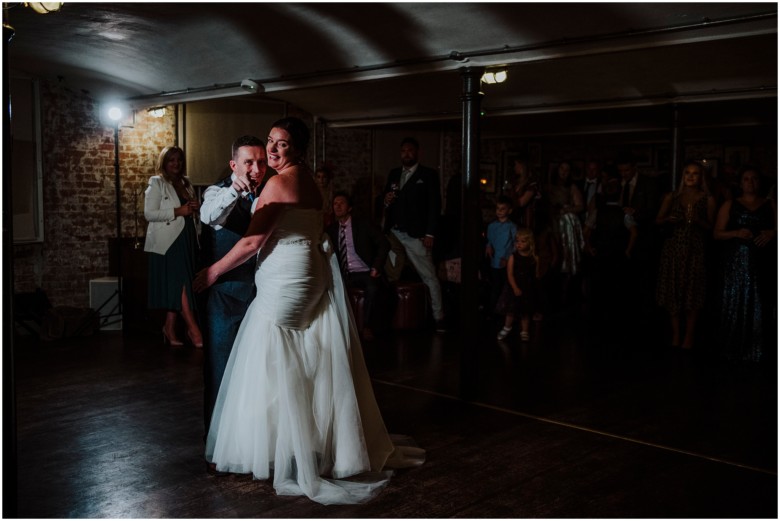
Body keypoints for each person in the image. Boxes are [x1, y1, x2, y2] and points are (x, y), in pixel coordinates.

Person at [193, 117, 424, 505]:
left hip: (285, 278)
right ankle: (304, 440)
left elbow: (252, 243)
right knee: (301, 355)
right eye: (270, 141)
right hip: (305, 272)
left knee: (269, 351)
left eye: (282, 144)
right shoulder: (308, 181)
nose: (273, 149)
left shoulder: (279, 182)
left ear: (296, 149)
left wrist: (213, 271)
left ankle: (278, 448)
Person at [198, 135, 268, 444]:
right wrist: (234, 191)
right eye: (249, 162)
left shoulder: (270, 192)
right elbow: (208, 216)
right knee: (220, 371)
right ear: (234, 164)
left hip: (263, 296)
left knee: (257, 373)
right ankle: (217, 444)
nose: (256, 169)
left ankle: (250, 441)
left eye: (261, 162)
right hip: (226, 296)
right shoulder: (217, 191)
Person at [381, 137, 446, 331]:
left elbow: (435, 206)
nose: (406, 154)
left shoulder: (428, 175)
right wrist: (386, 200)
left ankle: (439, 316)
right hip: (393, 232)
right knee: (390, 274)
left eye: (410, 151)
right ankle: (390, 317)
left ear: (417, 153)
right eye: (403, 151)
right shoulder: (394, 173)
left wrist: (430, 234)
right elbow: (384, 203)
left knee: (429, 276)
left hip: (416, 234)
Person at [713, 166, 776, 362]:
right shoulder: (730, 204)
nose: (751, 182)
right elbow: (716, 233)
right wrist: (736, 233)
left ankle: (759, 350)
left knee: (762, 302)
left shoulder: (771, 203)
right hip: (736, 263)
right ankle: (733, 348)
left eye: (754, 178)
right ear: (741, 183)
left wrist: (773, 232)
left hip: (763, 261)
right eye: (747, 179)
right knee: (736, 301)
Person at [143, 145, 203, 348]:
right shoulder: (157, 182)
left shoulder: (186, 183)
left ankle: (169, 327)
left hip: (186, 237)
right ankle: (194, 330)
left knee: (179, 283)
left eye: (178, 160)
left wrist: (194, 209)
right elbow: (149, 214)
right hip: (168, 241)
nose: (175, 164)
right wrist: (178, 211)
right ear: (164, 162)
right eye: (171, 160)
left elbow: (189, 212)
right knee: (181, 283)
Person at [655, 161, 716, 350]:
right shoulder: (672, 197)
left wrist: (697, 220)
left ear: (701, 177)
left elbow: (712, 227)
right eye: (687, 173)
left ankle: (689, 335)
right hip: (673, 248)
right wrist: (668, 219)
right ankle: (676, 334)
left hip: (694, 249)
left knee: (692, 291)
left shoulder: (708, 198)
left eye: (695, 173)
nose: (690, 176)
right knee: (673, 291)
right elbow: (657, 221)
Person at [327, 191, 391, 341]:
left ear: (349, 207)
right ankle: (337, 328)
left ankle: (367, 326)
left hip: (364, 271)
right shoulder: (331, 230)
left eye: (341, 203)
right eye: (335, 204)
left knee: (373, 288)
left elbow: (384, 244)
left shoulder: (363, 224)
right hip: (343, 272)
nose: (338, 206)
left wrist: (376, 266)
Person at [547, 161, 585, 307]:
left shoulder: (571, 187)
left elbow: (580, 206)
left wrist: (567, 210)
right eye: (562, 168)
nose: (564, 172)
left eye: (567, 170)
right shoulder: (549, 187)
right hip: (551, 223)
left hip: (564, 224)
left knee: (564, 256)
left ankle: (566, 297)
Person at [495, 228, 540, 342]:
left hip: (527, 287)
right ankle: (507, 327)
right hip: (514, 286)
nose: (519, 244)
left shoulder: (534, 258)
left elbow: (535, 274)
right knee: (511, 310)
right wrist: (515, 287)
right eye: (517, 241)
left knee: (525, 311)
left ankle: (524, 330)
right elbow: (510, 274)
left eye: (522, 241)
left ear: (529, 242)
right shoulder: (513, 257)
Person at [485, 196, 517, 316]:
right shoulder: (491, 226)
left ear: (509, 210)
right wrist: (488, 246)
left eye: (503, 209)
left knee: (505, 287)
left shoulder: (512, 227)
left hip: (506, 262)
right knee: (495, 287)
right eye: (498, 208)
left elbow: (515, 244)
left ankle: (504, 311)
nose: (499, 211)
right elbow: (489, 240)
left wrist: (508, 258)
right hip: (494, 261)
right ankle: (493, 311)